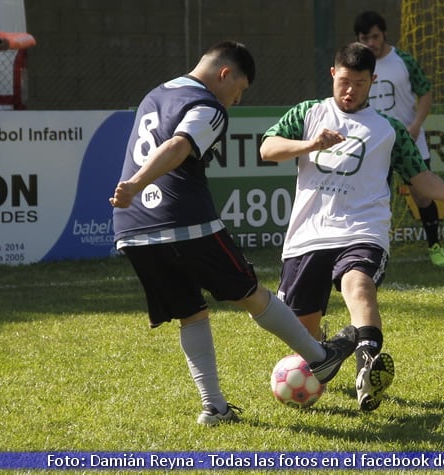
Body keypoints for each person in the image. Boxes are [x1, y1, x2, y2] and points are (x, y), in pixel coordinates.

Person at [109, 41, 357, 426]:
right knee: (250, 293)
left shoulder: (157, 93)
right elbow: (178, 146)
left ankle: (214, 408)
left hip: (134, 228)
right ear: (225, 74)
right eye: (238, 92)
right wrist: (136, 183)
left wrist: (133, 190)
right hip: (183, 220)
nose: (235, 102)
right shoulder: (207, 106)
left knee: (192, 313)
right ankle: (320, 358)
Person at [259, 42, 444, 411]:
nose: (350, 90)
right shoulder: (309, 114)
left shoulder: (389, 129)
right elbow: (267, 149)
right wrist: (311, 144)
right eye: (344, 81)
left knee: (357, 284)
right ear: (333, 74)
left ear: (373, 81)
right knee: (305, 337)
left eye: (360, 83)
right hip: (308, 235)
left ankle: (367, 370)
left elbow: (418, 175)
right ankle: (337, 347)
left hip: (363, 229)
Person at [353, 11, 444, 267]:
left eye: (375, 36)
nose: (371, 42)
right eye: (365, 38)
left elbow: (425, 92)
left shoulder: (403, 60)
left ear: (383, 33)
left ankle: (434, 245)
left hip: (409, 140)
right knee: (374, 196)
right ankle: (373, 250)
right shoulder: (359, 65)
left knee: (423, 196)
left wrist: (416, 125)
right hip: (374, 143)